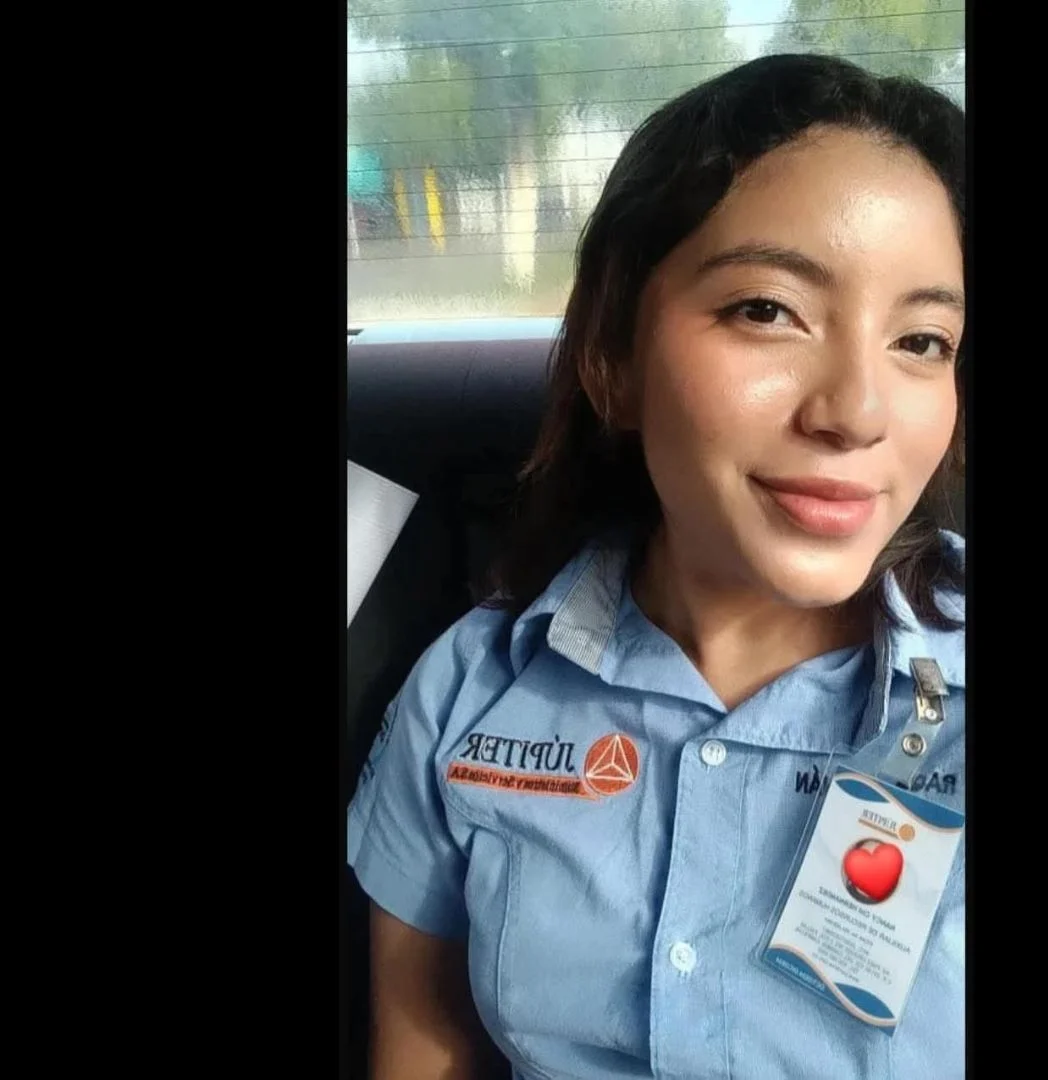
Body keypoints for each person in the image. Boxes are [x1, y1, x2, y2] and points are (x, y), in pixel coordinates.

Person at [347, 53, 967, 1080]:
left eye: (923, 340)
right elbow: (424, 1046)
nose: (857, 413)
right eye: (766, 310)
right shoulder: (471, 691)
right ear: (612, 359)